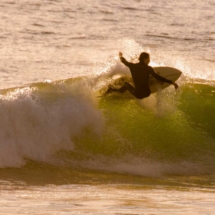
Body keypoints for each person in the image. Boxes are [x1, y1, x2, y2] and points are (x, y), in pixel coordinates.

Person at [104, 52, 178, 99]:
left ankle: (113, 90)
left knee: (127, 84)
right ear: (144, 59)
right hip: (147, 93)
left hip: (137, 94)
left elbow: (124, 61)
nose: (149, 60)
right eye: (148, 58)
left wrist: (120, 56)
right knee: (151, 75)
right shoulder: (148, 68)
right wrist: (171, 82)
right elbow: (158, 76)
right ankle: (154, 82)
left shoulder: (132, 66)